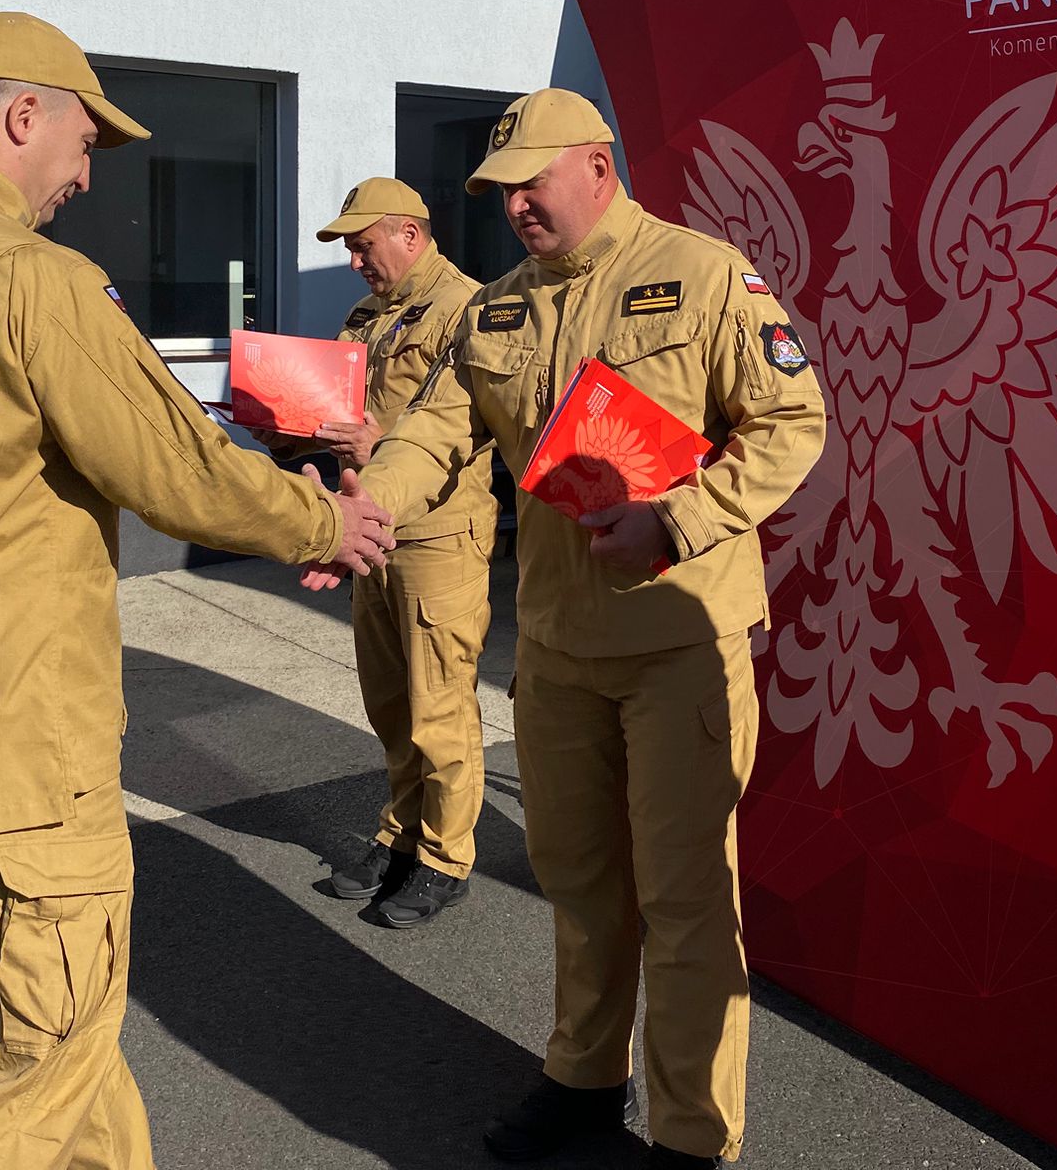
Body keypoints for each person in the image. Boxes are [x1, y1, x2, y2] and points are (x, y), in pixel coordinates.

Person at [0, 10, 394, 1170]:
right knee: (28, 1069)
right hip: (22, 756)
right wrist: (327, 519)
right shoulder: (31, 281)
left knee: (70, 1034)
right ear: (22, 116)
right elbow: (180, 468)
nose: (86, 172)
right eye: (85, 139)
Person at [343, 89, 828, 1168]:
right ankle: (583, 1080)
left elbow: (792, 420)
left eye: (532, 182)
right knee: (579, 882)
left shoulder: (702, 274)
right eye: (501, 190)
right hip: (558, 651)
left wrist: (678, 519)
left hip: (676, 645)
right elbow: (432, 430)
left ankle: (692, 1136)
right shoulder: (496, 309)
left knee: (685, 896)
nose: (515, 205)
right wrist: (363, 511)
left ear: (598, 168)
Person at [271, 178, 499, 927]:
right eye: (349, 249)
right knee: (391, 700)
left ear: (410, 233)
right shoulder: (365, 315)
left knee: (440, 703)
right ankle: (401, 833)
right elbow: (341, 414)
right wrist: (284, 427)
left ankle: (445, 856)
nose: (355, 262)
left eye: (364, 246)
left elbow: (474, 424)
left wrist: (379, 444)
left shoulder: (470, 309)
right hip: (370, 528)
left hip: (437, 535)